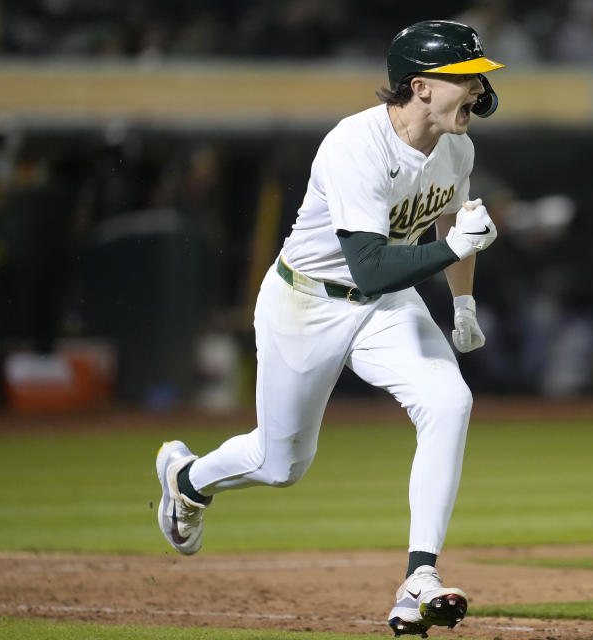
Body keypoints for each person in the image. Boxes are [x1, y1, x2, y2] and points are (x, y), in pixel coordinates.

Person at [154, 19, 504, 638]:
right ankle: (187, 478)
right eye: (464, 78)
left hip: (385, 305)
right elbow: (369, 266)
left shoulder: (458, 147)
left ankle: (417, 580)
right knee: (281, 462)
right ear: (420, 86)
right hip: (307, 303)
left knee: (449, 401)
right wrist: (452, 250)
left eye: (478, 77)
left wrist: (464, 304)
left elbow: (457, 218)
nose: (477, 89)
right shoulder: (354, 145)